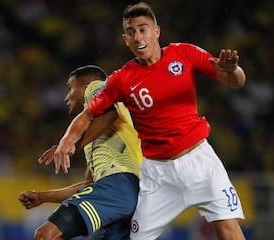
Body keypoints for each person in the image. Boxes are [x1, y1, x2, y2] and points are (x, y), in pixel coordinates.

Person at [52, 2, 246, 240]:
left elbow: (235, 81)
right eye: (131, 32)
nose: (137, 37)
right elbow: (88, 114)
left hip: (200, 163)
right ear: (125, 39)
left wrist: (233, 70)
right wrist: (66, 140)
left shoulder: (183, 53)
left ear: (156, 31)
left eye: (143, 29)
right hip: (158, 174)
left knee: (229, 231)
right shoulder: (121, 79)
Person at [19, 65, 142, 240]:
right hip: (128, 197)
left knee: (45, 235)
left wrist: (72, 145)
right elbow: (88, 186)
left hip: (117, 186)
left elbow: (108, 113)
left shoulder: (97, 87)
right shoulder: (106, 144)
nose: (66, 97)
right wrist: (41, 196)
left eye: (70, 88)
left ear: (85, 85)